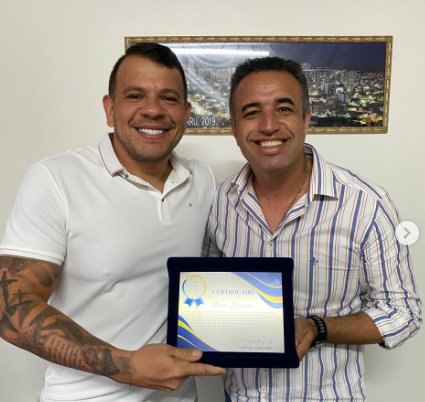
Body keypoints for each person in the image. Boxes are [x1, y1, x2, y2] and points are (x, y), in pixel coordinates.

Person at [0, 42, 225, 402]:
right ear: (110, 108)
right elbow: (10, 309)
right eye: (135, 95)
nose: (152, 110)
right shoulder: (55, 179)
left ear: (185, 113)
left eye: (168, 99)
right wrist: (128, 366)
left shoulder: (202, 179)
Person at [202, 56, 422, 401]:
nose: (269, 125)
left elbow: (403, 313)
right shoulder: (219, 202)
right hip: (240, 395)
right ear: (234, 128)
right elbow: (208, 293)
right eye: (252, 112)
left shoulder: (365, 205)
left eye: (284, 109)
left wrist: (318, 328)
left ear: (306, 118)